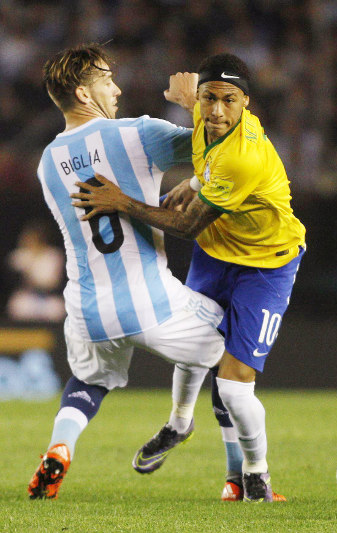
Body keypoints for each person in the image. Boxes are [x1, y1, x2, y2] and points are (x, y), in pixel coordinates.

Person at [71, 53, 306, 503]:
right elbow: (207, 151)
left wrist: (120, 201)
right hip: (217, 251)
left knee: (235, 388)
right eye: (209, 99)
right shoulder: (203, 115)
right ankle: (180, 421)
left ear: (247, 104)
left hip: (266, 264)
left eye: (228, 101)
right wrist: (197, 181)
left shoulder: (245, 158)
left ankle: (257, 478)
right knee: (192, 345)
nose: (216, 111)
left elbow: (183, 226)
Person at [28, 44, 226, 500]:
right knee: (236, 351)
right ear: (82, 92)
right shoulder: (136, 134)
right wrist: (195, 103)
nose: (116, 88)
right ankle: (241, 475)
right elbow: (220, 146)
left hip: (87, 309)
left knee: (89, 381)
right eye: (106, 81)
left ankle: (60, 446)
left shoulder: (45, 164)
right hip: (152, 302)